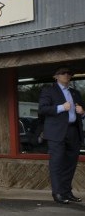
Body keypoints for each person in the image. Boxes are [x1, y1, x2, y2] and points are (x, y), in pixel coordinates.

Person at [38, 66, 84, 204]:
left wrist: (82, 112)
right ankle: (57, 193)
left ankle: (67, 192)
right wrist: (61, 107)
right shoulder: (49, 91)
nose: (66, 75)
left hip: (73, 131)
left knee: (70, 164)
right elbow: (42, 109)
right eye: (63, 73)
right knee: (57, 163)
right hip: (56, 133)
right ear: (56, 76)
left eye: (69, 73)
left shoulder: (75, 93)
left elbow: (80, 112)